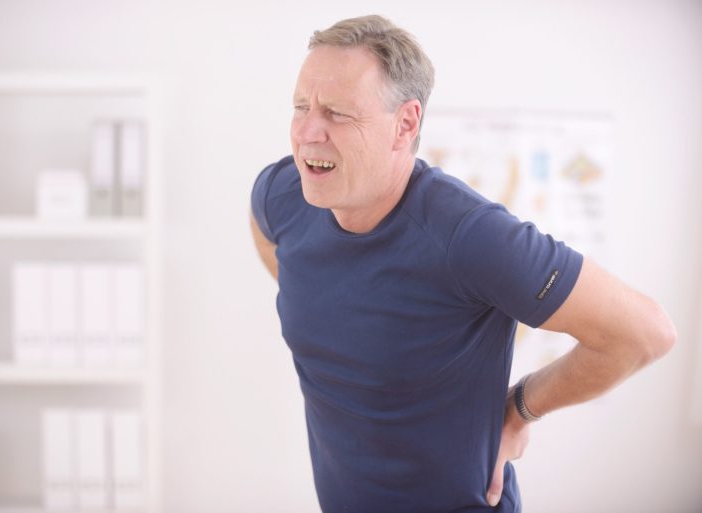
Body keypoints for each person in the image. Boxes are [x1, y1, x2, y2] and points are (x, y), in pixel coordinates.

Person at [249, 14, 675, 513]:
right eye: (301, 107)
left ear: (405, 124)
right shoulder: (284, 193)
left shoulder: (468, 237)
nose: (307, 133)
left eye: (337, 113)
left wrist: (518, 413)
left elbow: (643, 334)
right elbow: (265, 232)